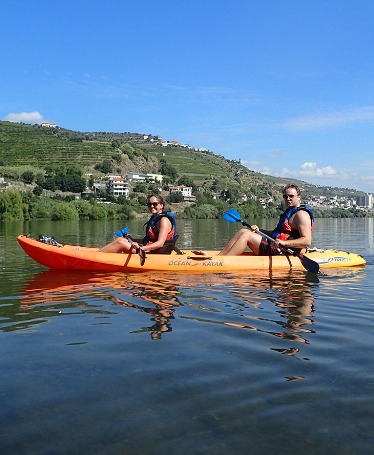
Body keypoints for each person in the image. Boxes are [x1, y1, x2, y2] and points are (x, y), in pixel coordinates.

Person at [218, 184, 314, 256]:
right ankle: (220, 257)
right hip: (276, 246)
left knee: (246, 235)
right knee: (243, 231)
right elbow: (276, 234)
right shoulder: (290, 212)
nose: (287, 199)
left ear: (299, 197)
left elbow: (307, 241)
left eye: (291, 196)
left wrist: (284, 243)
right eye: (285, 196)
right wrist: (259, 231)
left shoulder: (302, 215)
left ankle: (223, 263)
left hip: (283, 250)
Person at [99, 194, 177, 254]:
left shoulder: (164, 220)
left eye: (155, 204)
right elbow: (149, 240)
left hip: (157, 253)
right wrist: (133, 240)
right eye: (149, 204)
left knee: (120, 243)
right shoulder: (155, 219)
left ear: (161, 205)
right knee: (121, 239)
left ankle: (95, 256)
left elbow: (160, 244)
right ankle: (97, 254)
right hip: (150, 251)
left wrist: (141, 248)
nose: (151, 206)